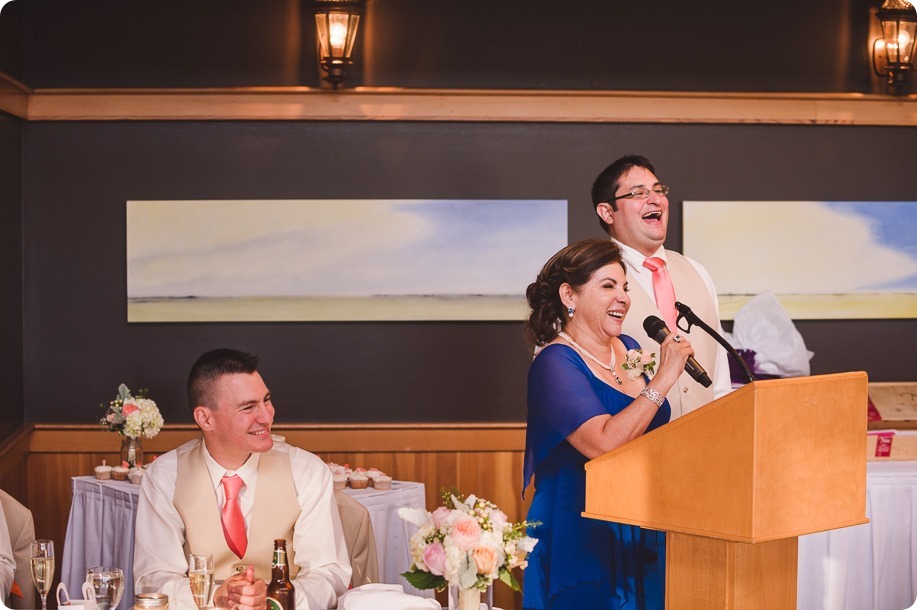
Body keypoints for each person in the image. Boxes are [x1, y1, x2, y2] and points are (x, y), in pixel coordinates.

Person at [522, 238, 695, 610]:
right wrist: (664, 379)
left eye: (625, 287)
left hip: (640, 524)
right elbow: (603, 443)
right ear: (570, 294)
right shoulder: (554, 364)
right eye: (608, 286)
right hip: (579, 529)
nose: (623, 298)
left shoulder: (631, 347)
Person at [134, 349, 351, 610]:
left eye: (266, 400)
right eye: (248, 407)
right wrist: (216, 596)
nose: (267, 417)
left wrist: (275, 598)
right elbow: (154, 579)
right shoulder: (165, 476)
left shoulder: (306, 471)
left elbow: (329, 572)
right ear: (205, 418)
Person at [591, 154, 732, 419]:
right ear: (607, 212)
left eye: (658, 190)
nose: (655, 199)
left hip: (704, 443)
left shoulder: (697, 272)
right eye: (638, 193)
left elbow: (719, 379)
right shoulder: (588, 279)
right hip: (631, 449)